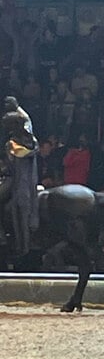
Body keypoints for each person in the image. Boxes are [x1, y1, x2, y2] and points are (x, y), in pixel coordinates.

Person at [2, 96, 39, 257]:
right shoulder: (28, 140)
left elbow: (11, 165)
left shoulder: (15, 143)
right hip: (25, 179)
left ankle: (5, 239)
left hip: (18, 182)